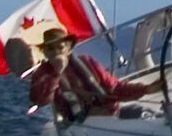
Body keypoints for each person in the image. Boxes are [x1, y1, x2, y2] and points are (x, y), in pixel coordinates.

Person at [27, 25, 156, 123]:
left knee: (149, 114)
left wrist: (146, 89)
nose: (56, 52)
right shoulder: (42, 74)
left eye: (60, 47)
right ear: (45, 52)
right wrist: (56, 73)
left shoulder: (87, 62)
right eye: (51, 48)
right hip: (81, 126)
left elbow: (115, 87)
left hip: (111, 116)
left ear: (68, 48)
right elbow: (41, 100)